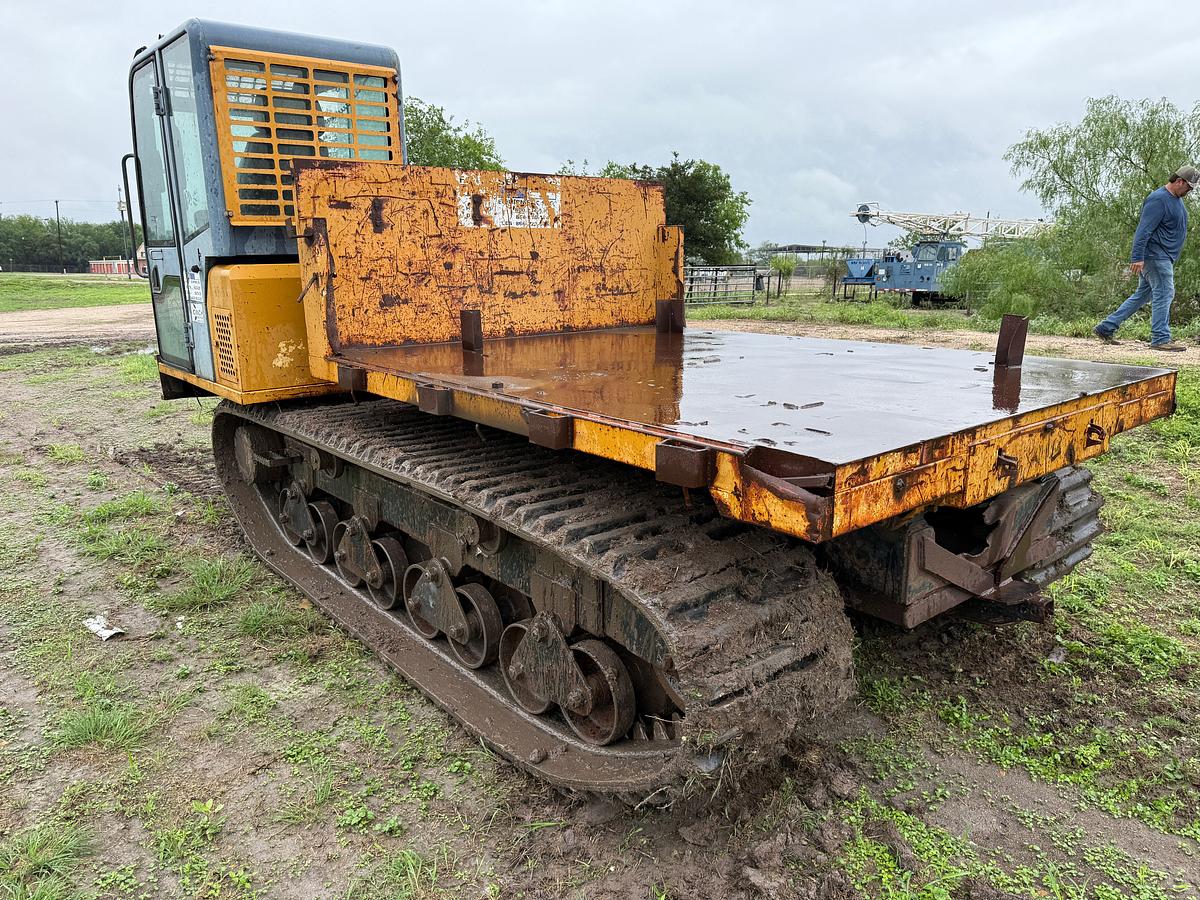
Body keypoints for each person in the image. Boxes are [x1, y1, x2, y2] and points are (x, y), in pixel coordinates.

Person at [1094, 165, 1198, 352]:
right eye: (1189, 187)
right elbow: (1144, 230)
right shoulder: (1158, 199)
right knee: (1165, 293)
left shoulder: (1175, 199)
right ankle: (1160, 337)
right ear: (1180, 181)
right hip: (1155, 256)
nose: (1190, 191)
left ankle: (1106, 327)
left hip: (1163, 256)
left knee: (1142, 295)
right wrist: (1137, 257)